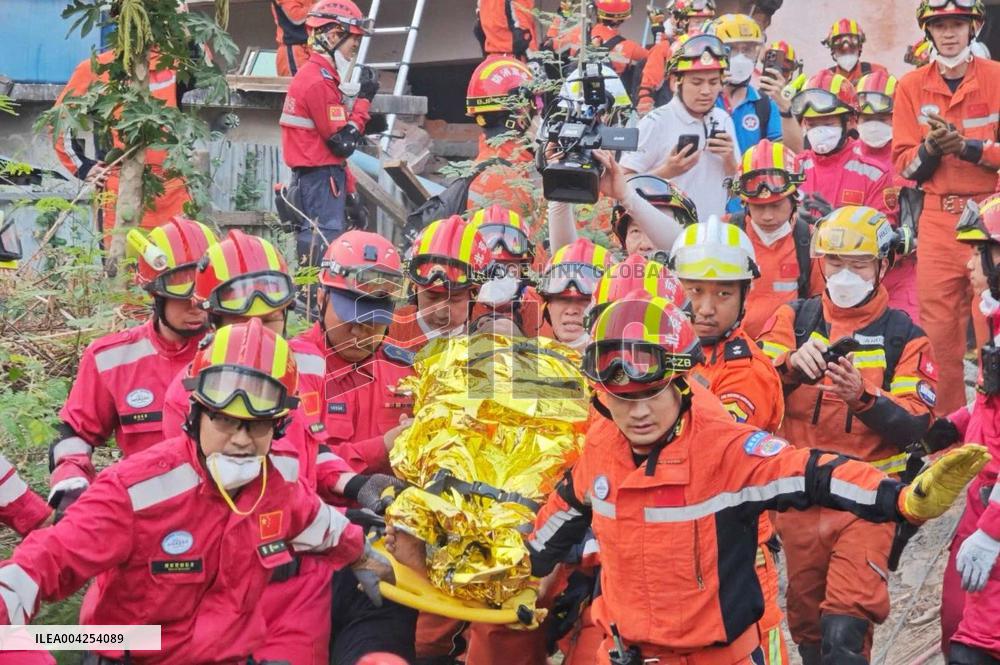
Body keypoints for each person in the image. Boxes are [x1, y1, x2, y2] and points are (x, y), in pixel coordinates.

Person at [529, 292, 988, 665]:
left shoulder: (727, 449)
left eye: (653, 393)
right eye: (622, 399)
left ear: (683, 382)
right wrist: (518, 568)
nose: (640, 412)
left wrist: (903, 499)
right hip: (625, 652)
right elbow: (561, 514)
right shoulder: (602, 448)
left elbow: (813, 473)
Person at [0, 320, 395, 664]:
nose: (240, 441)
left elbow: (315, 521)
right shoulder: (136, 492)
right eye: (225, 421)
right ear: (195, 414)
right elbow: (49, 559)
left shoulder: (275, 487)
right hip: (134, 652)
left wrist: (361, 553)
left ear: (277, 429)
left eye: (256, 426)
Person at [758, 205, 938, 664]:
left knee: (846, 626)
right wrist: (788, 368)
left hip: (866, 504)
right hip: (798, 499)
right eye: (834, 262)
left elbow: (916, 425)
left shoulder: (905, 337)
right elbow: (751, 387)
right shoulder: (794, 320)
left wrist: (865, 397)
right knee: (807, 626)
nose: (844, 273)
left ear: (883, 264)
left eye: (858, 263)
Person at [291, 229, 419, 664]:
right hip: (308, 553)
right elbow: (299, 463)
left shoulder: (407, 371)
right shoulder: (292, 366)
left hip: (386, 550)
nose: (364, 330)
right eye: (352, 315)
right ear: (321, 299)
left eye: (376, 319)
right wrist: (380, 448)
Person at [669, 217, 789, 665]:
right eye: (694, 290)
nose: (704, 306)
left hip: (733, 549)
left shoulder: (748, 373)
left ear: (743, 297)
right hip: (669, 543)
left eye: (721, 293)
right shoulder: (659, 355)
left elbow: (707, 449)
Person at [48, 216, 216, 517]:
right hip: (143, 513)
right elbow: (75, 433)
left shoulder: (231, 352)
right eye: (182, 296)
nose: (195, 307)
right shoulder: (111, 358)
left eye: (202, 295)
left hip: (217, 511)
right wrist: (70, 481)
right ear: (154, 292)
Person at [892, 0, 1000, 416]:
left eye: (957, 24)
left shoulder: (995, 78)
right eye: (940, 25)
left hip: (989, 219)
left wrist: (970, 149)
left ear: (973, 28)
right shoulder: (911, 86)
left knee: (989, 326)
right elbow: (904, 164)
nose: (949, 33)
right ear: (928, 32)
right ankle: (946, 435)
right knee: (939, 336)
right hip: (938, 218)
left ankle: (991, 430)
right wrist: (932, 149)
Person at [935, 194, 1000, 663]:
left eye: (981, 252)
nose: (969, 263)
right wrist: (945, 429)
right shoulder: (994, 324)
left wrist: (992, 533)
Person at [161, 230, 297, 436]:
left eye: (268, 320)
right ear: (213, 323)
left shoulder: (309, 373)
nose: (256, 332)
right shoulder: (187, 393)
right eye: (242, 323)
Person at [53, 51, 190, 245]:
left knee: (180, 265)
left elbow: (205, 66)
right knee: (121, 267)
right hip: (120, 186)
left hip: (172, 188)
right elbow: (59, 119)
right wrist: (82, 166)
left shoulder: (175, 62)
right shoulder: (97, 67)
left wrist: (185, 33)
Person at [280, 0, 378, 267]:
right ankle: (313, 303)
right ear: (333, 35)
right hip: (319, 185)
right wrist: (364, 101)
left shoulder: (319, 76)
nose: (355, 47)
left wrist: (350, 192)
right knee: (322, 254)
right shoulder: (317, 81)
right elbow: (342, 144)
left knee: (321, 250)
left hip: (322, 180)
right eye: (353, 39)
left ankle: (313, 301)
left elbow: (330, 151)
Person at [621, 33, 741, 220]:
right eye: (697, 82)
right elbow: (621, 186)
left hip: (710, 237)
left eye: (713, 82)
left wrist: (731, 164)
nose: (706, 91)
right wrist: (666, 172)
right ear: (676, 81)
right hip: (663, 238)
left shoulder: (724, 120)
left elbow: (736, 193)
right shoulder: (655, 122)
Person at [731, 140, 824, 338]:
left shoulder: (811, 240)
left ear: (794, 199)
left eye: (776, 205)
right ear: (745, 203)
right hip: (733, 353)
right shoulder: (725, 235)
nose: (767, 216)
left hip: (788, 354)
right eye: (758, 207)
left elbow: (820, 307)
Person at [853, 71, 921, 325]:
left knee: (907, 336)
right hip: (852, 269)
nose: (874, 125)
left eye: (883, 118)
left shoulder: (912, 159)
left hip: (902, 273)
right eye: (867, 118)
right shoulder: (845, 157)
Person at [792, 71, 894, 219]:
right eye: (812, 124)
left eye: (828, 123)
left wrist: (838, 221)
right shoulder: (794, 167)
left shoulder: (875, 174)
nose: (819, 131)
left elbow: (885, 231)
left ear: (850, 121)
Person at [387, 216, 491, 354]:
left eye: (454, 298)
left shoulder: (488, 335)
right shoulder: (388, 333)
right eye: (431, 296)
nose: (441, 312)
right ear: (414, 287)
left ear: (475, 294)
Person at [465, 55, 538, 218]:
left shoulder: (489, 165)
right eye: (536, 107)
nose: (539, 113)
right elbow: (530, 242)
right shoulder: (505, 183)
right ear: (520, 115)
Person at [710, 14, 782, 156]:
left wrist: (786, 109)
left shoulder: (764, 104)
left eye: (747, 50)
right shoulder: (700, 98)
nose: (740, 58)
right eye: (732, 49)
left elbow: (783, 153)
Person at [469, 205, 545, 337]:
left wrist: (521, 342)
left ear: (523, 267)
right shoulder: (456, 303)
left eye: (508, 265)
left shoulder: (538, 306)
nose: (498, 273)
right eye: (489, 265)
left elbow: (553, 353)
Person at [537, 238, 615, 349]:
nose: (571, 311)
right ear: (548, 307)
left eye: (585, 300)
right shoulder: (530, 359)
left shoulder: (628, 362)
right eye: (562, 299)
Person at [821, 18, 888, 86]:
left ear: (860, 46)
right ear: (832, 49)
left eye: (853, 41)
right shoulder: (826, 79)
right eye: (839, 42)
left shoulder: (876, 72)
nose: (846, 47)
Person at [271, 0, 312, 76]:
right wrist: (321, 6)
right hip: (293, 50)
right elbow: (296, 16)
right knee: (300, 84)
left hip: (310, 47)